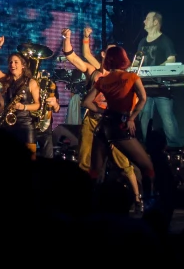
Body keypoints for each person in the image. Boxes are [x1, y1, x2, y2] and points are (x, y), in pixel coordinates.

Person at [61, 28, 142, 211]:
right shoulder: (94, 70)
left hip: (112, 122)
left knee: (123, 161)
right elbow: (71, 56)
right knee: (85, 159)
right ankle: (85, 199)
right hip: (93, 120)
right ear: (105, 55)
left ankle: (137, 198)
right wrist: (68, 37)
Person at [81, 46, 155, 196]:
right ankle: (147, 203)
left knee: (94, 171)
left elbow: (86, 103)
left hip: (104, 126)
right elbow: (143, 99)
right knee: (147, 167)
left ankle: (88, 205)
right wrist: (132, 118)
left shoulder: (103, 80)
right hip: (120, 124)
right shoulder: (132, 77)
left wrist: (105, 111)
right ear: (124, 59)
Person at [0, 36, 59, 158]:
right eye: (10, 62)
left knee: (29, 159)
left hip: (26, 125)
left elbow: (38, 105)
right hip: (9, 125)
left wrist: (23, 106)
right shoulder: (6, 80)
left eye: (16, 62)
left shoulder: (31, 82)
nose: (12, 64)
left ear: (23, 66)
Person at [137, 11, 181, 147]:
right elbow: (137, 62)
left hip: (162, 88)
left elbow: (171, 60)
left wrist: (154, 70)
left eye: (147, 19)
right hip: (145, 89)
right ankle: (144, 147)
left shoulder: (165, 40)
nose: (144, 21)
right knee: (144, 119)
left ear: (155, 22)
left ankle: (174, 147)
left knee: (167, 118)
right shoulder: (142, 41)